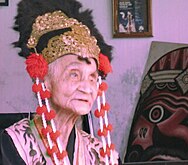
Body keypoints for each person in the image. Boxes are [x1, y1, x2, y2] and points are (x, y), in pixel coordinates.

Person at [0, 0, 120, 164]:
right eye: (74, 74)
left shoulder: (98, 152)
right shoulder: (13, 144)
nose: (87, 88)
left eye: (92, 77)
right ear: (45, 80)